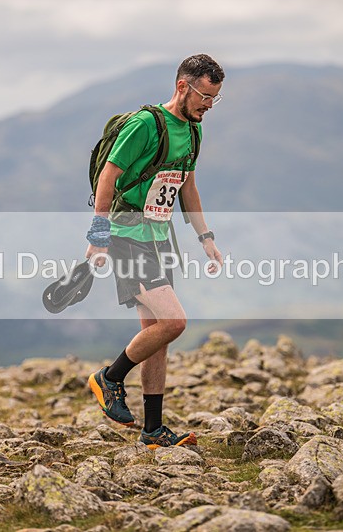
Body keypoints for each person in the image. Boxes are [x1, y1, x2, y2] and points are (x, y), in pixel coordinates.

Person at [85, 54, 225, 449]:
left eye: (215, 98)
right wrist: (98, 234)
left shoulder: (194, 131)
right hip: (126, 231)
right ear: (183, 86)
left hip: (159, 237)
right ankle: (109, 378)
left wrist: (206, 238)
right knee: (175, 321)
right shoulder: (145, 125)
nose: (208, 105)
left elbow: (188, 187)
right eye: (204, 96)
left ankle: (153, 430)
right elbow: (108, 176)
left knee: (156, 334)